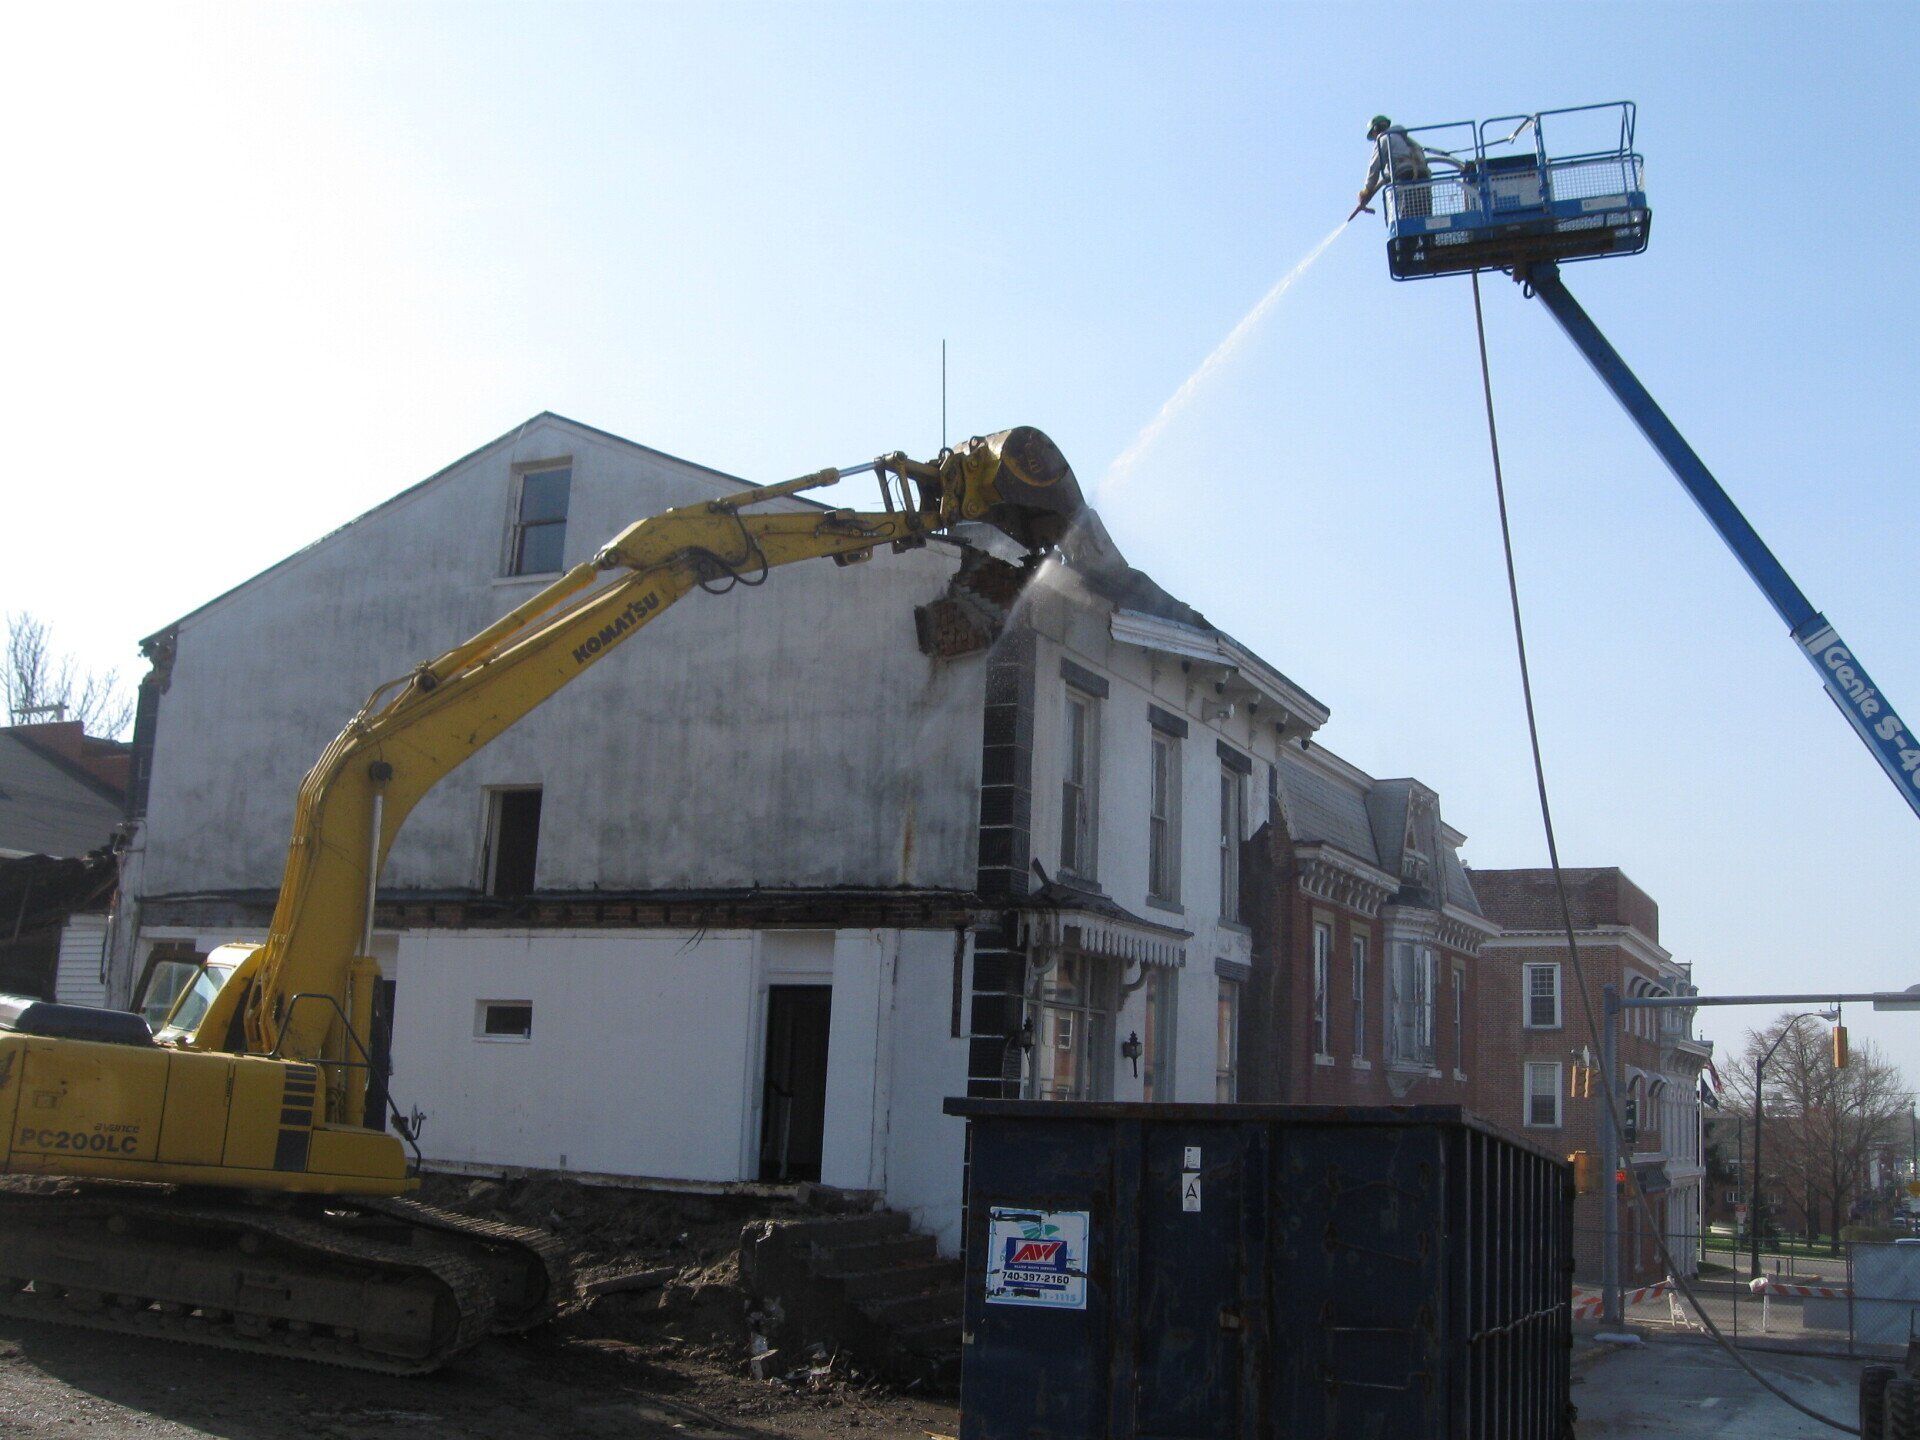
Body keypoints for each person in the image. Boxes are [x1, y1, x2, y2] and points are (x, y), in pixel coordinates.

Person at [1351, 115, 1430, 220]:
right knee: (1425, 218)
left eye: (1373, 135)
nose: (1374, 139)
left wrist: (1367, 191)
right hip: (1424, 178)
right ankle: (1429, 236)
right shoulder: (1408, 141)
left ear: (1375, 130)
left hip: (1405, 178)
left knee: (1405, 220)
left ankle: (1408, 235)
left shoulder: (1384, 138)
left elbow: (1374, 167)